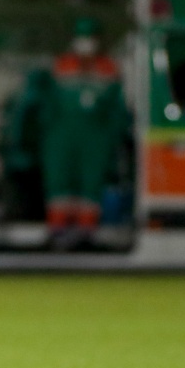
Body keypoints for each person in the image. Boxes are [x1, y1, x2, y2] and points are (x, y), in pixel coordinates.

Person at [39, 17, 129, 250]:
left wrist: (114, 136)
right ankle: (57, 232)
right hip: (62, 135)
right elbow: (48, 105)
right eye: (81, 38)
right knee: (59, 183)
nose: (85, 43)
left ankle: (85, 233)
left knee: (91, 183)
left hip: (95, 136)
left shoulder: (108, 68)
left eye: (89, 38)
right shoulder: (62, 66)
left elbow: (116, 108)